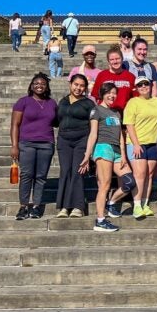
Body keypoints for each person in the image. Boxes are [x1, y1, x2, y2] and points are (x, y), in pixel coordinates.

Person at [80, 82, 135, 232]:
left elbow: (121, 136)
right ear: (102, 94)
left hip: (117, 151)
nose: (112, 96)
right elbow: (93, 134)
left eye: (114, 93)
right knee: (104, 185)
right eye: (109, 93)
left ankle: (111, 204)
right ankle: (100, 220)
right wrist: (87, 155)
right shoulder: (96, 110)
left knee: (130, 181)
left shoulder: (116, 113)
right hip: (103, 148)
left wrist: (123, 155)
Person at [10, 73, 58, 220]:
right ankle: (23, 206)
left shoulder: (52, 103)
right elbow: (14, 125)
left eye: (43, 83)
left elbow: (56, 122)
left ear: (47, 87)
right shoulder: (23, 102)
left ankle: (36, 206)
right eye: (36, 83)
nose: (39, 85)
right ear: (31, 86)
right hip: (26, 143)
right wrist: (14, 146)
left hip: (46, 144)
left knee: (41, 176)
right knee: (26, 175)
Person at [55, 74, 95, 218]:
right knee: (65, 171)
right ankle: (64, 207)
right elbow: (56, 120)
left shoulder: (88, 104)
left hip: (81, 140)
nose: (78, 88)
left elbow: (93, 126)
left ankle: (78, 206)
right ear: (70, 84)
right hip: (64, 140)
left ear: (85, 88)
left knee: (78, 171)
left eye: (82, 86)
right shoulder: (63, 101)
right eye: (76, 84)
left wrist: (89, 150)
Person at [124, 76, 157, 219]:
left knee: (150, 174)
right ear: (136, 88)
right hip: (137, 143)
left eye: (146, 84)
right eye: (140, 85)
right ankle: (136, 205)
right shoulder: (133, 102)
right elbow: (129, 124)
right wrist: (135, 144)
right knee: (139, 174)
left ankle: (145, 203)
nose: (143, 87)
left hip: (154, 142)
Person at [91, 47, 136, 115]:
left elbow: (135, 98)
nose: (115, 61)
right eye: (112, 59)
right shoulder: (102, 75)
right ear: (108, 61)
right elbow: (95, 95)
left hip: (126, 114)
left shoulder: (130, 76)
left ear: (122, 59)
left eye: (117, 58)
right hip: (105, 114)